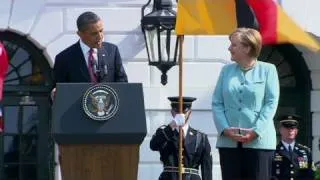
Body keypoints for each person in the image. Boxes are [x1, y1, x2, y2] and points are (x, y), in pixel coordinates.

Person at [211, 28, 280, 180]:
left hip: (260, 142)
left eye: (234, 45)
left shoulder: (268, 70)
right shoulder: (226, 71)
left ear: (247, 47)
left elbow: (271, 103)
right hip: (229, 142)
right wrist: (225, 129)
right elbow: (217, 103)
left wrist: (256, 131)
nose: (229, 48)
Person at [53, 11, 128, 84]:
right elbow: (58, 90)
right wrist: (54, 94)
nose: (100, 36)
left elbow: (122, 82)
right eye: (94, 33)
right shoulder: (63, 58)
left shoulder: (112, 51)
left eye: (101, 31)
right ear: (80, 34)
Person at [150, 96, 212, 180]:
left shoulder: (201, 138)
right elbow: (153, 145)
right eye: (177, 112)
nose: (181, 115)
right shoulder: (164, 132)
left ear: (189, 113)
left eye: (184, 111)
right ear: (172, 112)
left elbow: (207, 169)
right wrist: (172, 125)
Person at [272, 114, 316, 180]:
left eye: (292, 128)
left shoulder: (305, 151)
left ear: (296, 131)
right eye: (287, 127)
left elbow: (309, 174)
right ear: (280, 130)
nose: (290, 130)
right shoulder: (273, 151)